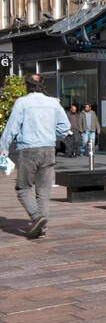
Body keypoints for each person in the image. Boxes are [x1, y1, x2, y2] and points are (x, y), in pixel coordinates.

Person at [0, 74, 71, 239]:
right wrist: (51, 134)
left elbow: (11, 128)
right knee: (44, 192)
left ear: (27, 86)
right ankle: (42, 229)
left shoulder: (22, 102)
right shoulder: (53, 103)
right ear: (42, 85)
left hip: (29, 150)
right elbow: (65, 127)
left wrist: (2, 149)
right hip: (48, 150)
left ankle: (37, 217)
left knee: (23, 188)